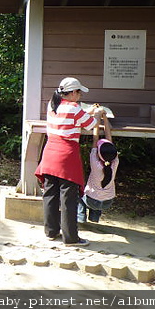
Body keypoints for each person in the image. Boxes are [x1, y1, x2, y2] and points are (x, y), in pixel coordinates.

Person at [34, 77, 98, 247]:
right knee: (68, 198)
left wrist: (86, 111)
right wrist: (96, 113)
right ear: (72, 93)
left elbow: (71, 115)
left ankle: (51, 232)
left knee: (50, 194)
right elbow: (92, 124)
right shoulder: (75, 108)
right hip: (66, 156)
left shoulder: (52, 104)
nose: (80, 96)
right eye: (79, 92)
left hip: (49, 153)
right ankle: (71, 238)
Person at [78, 111, 119, 223]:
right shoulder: (114, 162)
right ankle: (94, 217)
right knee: (98, 196)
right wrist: (105, 117)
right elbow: (109, 139)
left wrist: (97, 117)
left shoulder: (95, 164)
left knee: (77, 190)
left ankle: (80, 215)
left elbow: (95, 138)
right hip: (107, 202)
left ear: (99, 153)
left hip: (92, 200)